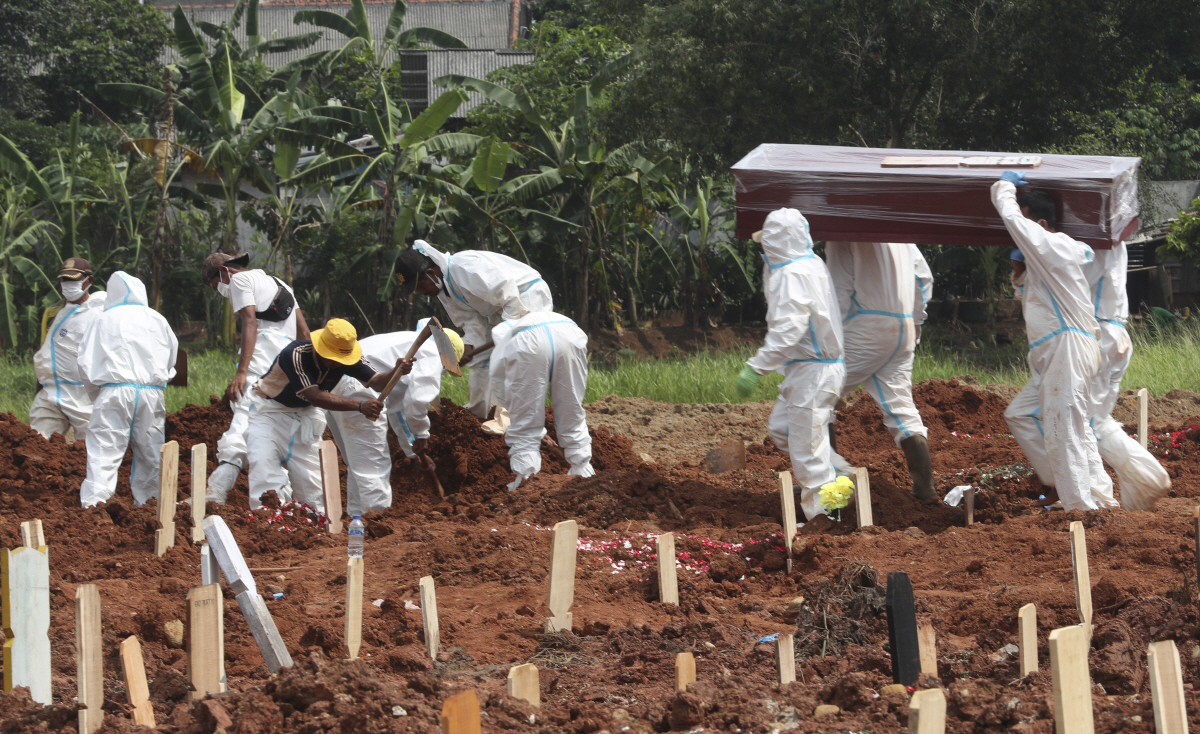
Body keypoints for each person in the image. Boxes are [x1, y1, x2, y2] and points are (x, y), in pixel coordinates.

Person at [992, 172, 1115, 511]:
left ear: (1041, 223)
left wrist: (1004, 188)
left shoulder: (1055, 245)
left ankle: (1079, 507)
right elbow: (1034, 296)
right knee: (1024, 414)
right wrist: (1019, 274)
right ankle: (1095, 496)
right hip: (1057, 352)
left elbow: (1012, 219)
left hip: (1068, 347)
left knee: (1064, 427)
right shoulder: (1046, 261)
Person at [736, 208, 845, 522]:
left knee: (808, 456)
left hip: (813, 372)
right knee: (782, 429)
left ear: (773, 242)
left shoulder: (791, 274)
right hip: (812, 369)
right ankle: (832, 472)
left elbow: (788, 331)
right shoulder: (811, 264)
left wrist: (756, 367)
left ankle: (824, 520)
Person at [247, 318, 407, 514]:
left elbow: (377, 382)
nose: (337, 364)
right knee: (264, 469)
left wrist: (396, 372)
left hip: (305, 416)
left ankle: (313, 529)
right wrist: (360, 406)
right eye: (332, 358)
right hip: (269, 413)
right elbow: (314, 396)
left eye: (341, 360)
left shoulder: (347, 358)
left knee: (312, 485)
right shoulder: (296, 354)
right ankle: (269, 522)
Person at [393, 240, 553, 419]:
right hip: (497, 313)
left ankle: (514, 417)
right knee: (479, 359)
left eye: (420, 287)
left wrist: (506, 333)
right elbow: (471, 322)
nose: (421, 293)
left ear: (430, 273)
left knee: (514, 355)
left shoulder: (465, 267)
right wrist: (469, 347)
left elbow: (507, 293)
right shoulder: (443, 291)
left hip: (525, 299)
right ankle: (480, 414)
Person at [826, 242, 935, 500]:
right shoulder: (897, 231)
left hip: (864, 326)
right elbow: (923, 276)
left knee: (817, 398)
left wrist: (829, 343)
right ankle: (925, 488)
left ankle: (831, 483)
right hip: (904, 327)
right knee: (901, 409)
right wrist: (916, 318)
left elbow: (839, 290)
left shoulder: (842, 232)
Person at [201, 253, 309, 503]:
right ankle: (283, 497)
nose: (219, 290)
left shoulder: (239, 281)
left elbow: (250, 322)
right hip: (288, 361)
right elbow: (304, 332)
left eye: (215, 285)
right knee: (276, 422)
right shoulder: (281, 285)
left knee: (245, 415)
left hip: (263, 358)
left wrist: (241, 372)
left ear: (224, 272)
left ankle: (217, 490)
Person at [326, 323, 464, 515]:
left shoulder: (404, 340)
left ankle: (359, 522)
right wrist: (422, 435)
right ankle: (378, 523)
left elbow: (398, 408)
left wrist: (412, 447)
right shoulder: (432, 352)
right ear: (448, 356)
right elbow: (417, 400)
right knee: (373, 466)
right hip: (360, 387)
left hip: (335, 383)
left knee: (359, 465)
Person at [76, 272, 178, 507]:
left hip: (114, 390)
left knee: (105, 449)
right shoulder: (157, 319)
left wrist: (97, 396)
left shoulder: (103, 319)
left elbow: (84, 362)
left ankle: (95, 506)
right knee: (151, 451)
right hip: (152, 392)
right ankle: (151, 504)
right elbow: (172, 356)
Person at [1082, 240, 1171, 510]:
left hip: (1100, 336)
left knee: (1084, 421)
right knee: (1096, 419)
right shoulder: (1114, 240)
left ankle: (1101, 497)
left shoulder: (1093, 244)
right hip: (1116, 333)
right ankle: (1142, 479)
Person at [489, 311, 594, 490]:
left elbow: (504, 387)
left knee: (524, 428)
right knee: (572, 411)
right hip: (570, 333)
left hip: (528, 343)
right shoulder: (540, 315)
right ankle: (583, 473)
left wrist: (532, 426)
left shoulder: (504, 335)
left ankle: (526, 483)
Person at [30, 258, 108, 442]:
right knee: (36, 444)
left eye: (73, 280)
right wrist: (39, 386)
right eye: (65, 280)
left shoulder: (100, 314)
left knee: (90, 451)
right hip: (52, 394)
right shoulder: (57, 313)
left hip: (84, 397)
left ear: (89, 281)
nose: (68, 285)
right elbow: (48, 354)